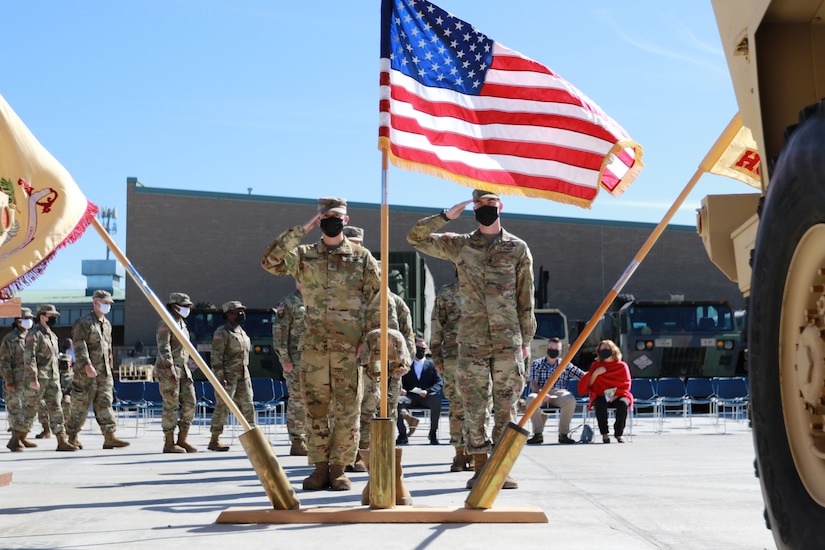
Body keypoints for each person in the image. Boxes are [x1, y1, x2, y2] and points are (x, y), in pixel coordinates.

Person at [407, 188, 536, 490]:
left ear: (500, 205)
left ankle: (501, 468)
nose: (485, 208)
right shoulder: (461, 246)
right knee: (475, 404)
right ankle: (479, 467)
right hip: (473, 339)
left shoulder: (517, 248)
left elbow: (526, 296)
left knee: (506, 406)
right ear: (473, 208)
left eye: (490, 203)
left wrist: (526, 338)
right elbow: (416, 238)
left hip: (508, 340)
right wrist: (446, 216)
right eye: (479, 204)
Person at [261, 197, 381, 491]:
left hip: (349, 350)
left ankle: (339, 468)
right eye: (325, 216)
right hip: (314, 348)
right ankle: (319, 468)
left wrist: (369, 343)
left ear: (346, 220)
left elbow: (376, 302)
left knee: (347, 410)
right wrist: (300, 230)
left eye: (337, 216)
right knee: (315, 409)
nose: (331, 220)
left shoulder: (362, 257)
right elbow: (270, 261)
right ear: (318, 220)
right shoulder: (303, 255)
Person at [343, 226, 414, 472]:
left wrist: (405, 363)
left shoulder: (395, 302)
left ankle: (383, 454)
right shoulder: (348, 296)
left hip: (389, 364)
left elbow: (406, 336)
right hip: (358, 362)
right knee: (359, 409)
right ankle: (357, 454)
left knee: (387, 408)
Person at [66, 290, 130, 450]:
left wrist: (110, 370)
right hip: (86, 373)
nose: (108, 306)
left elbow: (107, 349)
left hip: (104, 373)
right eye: (105, 303)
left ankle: (110, 437)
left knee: (105, 404)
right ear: (96, 302)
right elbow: (79, 345)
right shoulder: (84, 322)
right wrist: (87, 365)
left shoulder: (107, 324)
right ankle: (72, 437)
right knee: (80, 405)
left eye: (109, 303)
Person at [430, 268, 473, 471]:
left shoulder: (481, 292)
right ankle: (458, 453)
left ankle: (475, 453)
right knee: (456, 407)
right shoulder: (446, 293)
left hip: (478, 357)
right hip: (452, 358)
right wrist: (436, 356)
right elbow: (436, 326)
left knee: (477, 407)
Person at [21, 305, 76, 451]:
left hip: (53, 377)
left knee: (56, 408)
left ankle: (61, 440)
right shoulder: (34, 334)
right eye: (51, 316)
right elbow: (29, 357)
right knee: (31, 409)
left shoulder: (52, 335)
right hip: (39, 377)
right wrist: (33, 378)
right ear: (42, 316)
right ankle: (17, 437)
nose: (54, 318)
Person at [208, 300, 256, 451]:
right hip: (228, 377)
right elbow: (216, 357)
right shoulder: (222, 333)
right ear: (228, 314)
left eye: (242, 311)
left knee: (248, 406)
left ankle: (255, 439)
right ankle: (214, 439)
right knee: (223, 407)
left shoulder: (242, 332)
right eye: (237, 311)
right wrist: (220, 376)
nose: (241, 314)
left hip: (243, 375)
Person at [156, 292, 198, 454]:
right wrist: (169, 367)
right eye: (185, 306)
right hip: (169, 370)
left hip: (184, 369)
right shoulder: (166, 323)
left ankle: (182, 439)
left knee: (190, 402)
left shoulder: (182, 324)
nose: (188, 309)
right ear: (175, 307)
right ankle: (169, 442)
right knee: (171, 405)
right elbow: (164, 347)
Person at [525, 337, 586, 445]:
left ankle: (563, 434)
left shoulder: (565, 364)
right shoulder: (537, 363)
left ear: (560, 350)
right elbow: (533, 382)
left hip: (559, 393)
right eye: (551, 348)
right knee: (531, 399)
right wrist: (540, 393)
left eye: (556, 348)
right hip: (541, 391)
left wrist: (597, 371)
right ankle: (538, 434)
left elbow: (583, 376)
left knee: (570, 399)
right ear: (546, 348)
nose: (553, 350)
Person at [273, 280, 308, 457]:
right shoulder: (289, 303)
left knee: (315, 400)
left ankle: (311, 439)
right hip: (295, 360)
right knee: (298, 399)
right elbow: (279, 332)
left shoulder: (316, 300)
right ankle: (297, 441)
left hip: (314, 361)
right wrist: (284, 358)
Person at [577, 339, 634, 443]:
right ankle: (604, 434)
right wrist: (596, 373)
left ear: (613, 350)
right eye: (601, 349)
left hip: (619, 394)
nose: (604, 351)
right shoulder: (595, 365)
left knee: (623, 404)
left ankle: (619, 434)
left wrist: (615, 395)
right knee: (600, 404)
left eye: (607, 348)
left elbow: (626, 384)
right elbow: (589, 384)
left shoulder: (622, 366)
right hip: (601, 394)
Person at [2, 308, 37, 452]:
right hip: (15, 381)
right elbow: (4, 362)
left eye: (31, 318)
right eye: (26, 318)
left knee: (29, 410)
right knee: (16, 410)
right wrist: (8, 381)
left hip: (29, 381)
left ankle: (22, 436)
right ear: (18, 321)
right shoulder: (10, 339)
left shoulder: (31, 337)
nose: (30, 321)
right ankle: (14, 441)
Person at [397, 339, 443, 445]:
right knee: (396, 402)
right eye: (418, 348)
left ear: (426, 351)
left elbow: (439, 382)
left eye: (422, 349)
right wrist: (401, 389)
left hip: (426, 396)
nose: (420, 351)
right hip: (410, 396)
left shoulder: (431, 365)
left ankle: (433, 433)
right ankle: (402, 435)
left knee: (436, 399)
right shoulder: (407, 364)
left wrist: (428, 391)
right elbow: (398, 379)